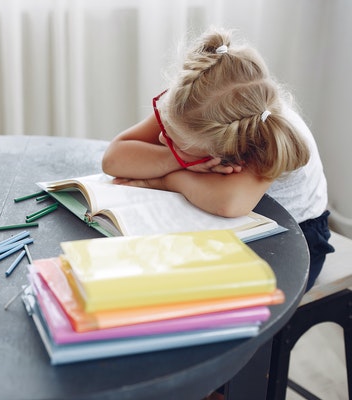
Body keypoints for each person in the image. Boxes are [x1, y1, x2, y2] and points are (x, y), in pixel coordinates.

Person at [102, 27, 333, 291]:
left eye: (177, 145)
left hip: (293, 241)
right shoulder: (193, 103)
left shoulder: (260, 134)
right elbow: (114, 158)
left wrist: (164, 179)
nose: (164, 141)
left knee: (200, 299)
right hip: (224, 223)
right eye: (166, 131)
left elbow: (229, 203)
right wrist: (179, 159)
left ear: (225, 149)